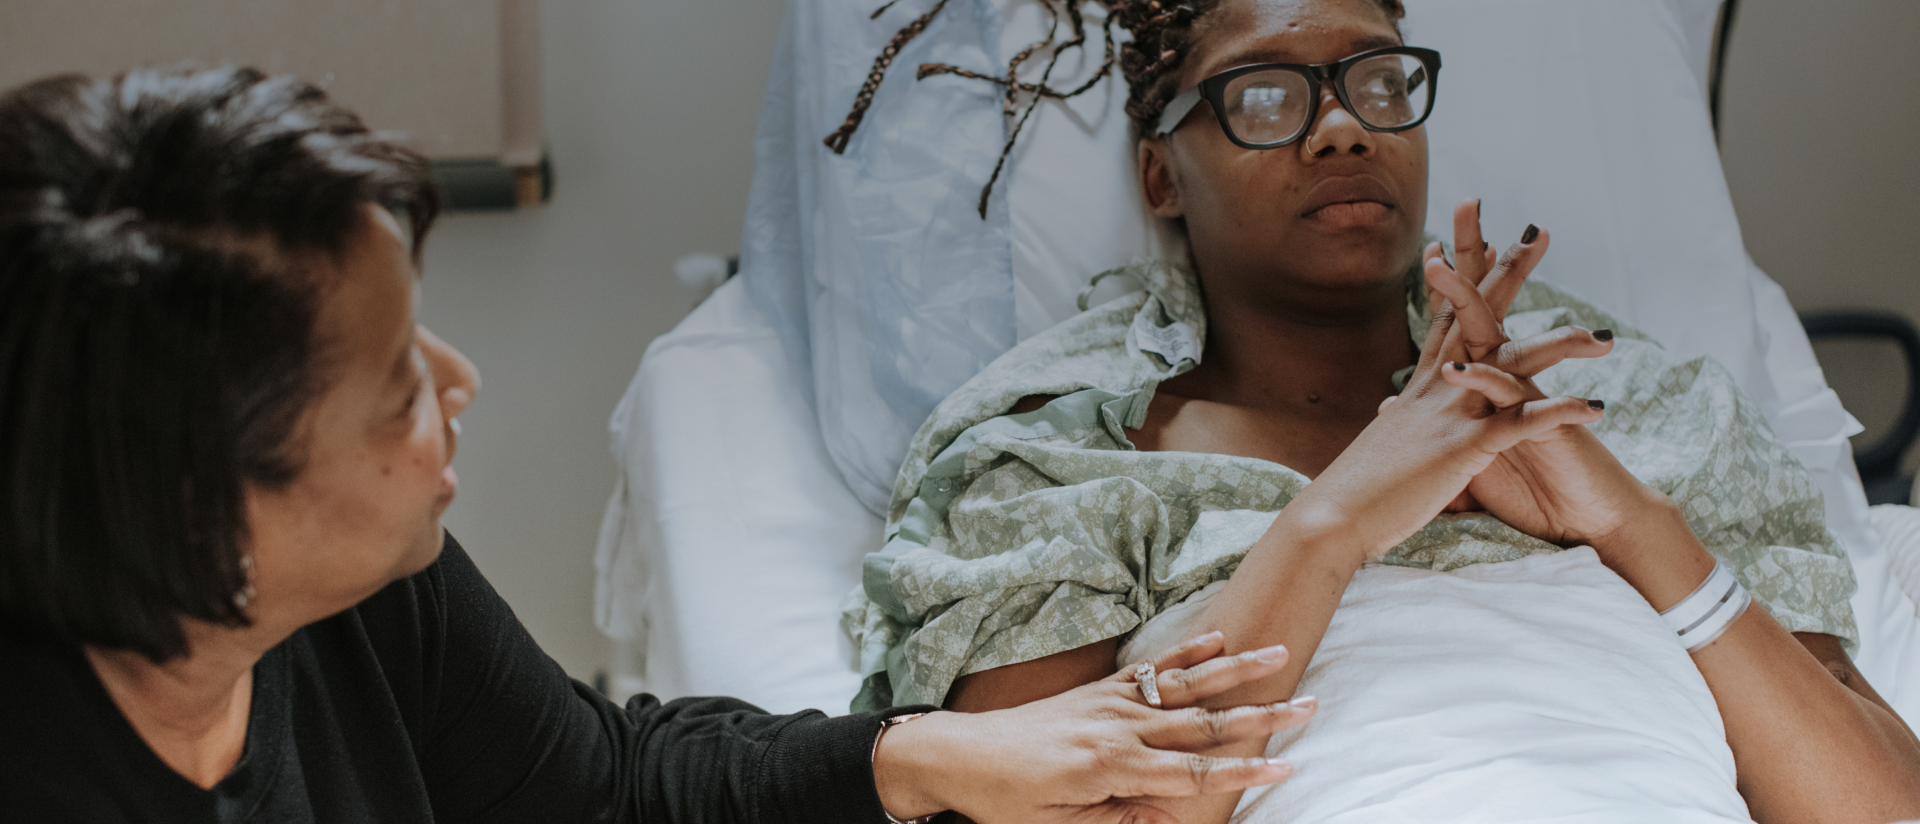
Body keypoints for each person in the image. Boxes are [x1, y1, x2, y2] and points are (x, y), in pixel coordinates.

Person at [0, 66, 1327, 824]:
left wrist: (923, 755)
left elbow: (598, 784)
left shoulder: (360, 594)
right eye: (396, 390)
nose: (460, 384)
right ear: (202, 519)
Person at [841, 0, 1920, 822]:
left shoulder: (1631, 400)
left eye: (1380, 81)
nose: (1345, 129)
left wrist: (1635, 526)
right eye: (1264, 95)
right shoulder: (1060, 449)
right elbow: (1043, 806)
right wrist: (1333, 523)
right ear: (1159, 173)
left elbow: (1879, 803)